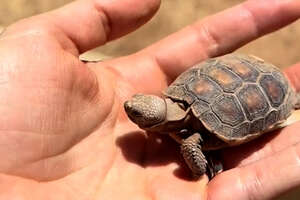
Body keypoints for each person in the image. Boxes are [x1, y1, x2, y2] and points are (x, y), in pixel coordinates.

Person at [0, 0, 300, 199]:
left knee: (189, 143)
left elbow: (192, 146)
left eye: (139, 116)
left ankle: (290, 101)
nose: (130, 110)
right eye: (138, 113)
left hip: (264, 88)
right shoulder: (176, 119)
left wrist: (197, 169)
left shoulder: (192, 139)